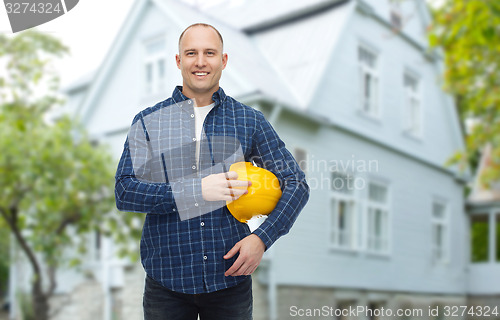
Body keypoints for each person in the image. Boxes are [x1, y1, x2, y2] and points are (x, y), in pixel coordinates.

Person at [115, 23, 309, 320]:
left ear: (223, 60)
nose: (201, 61)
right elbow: (125, 191)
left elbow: (295, 182)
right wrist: (195, 191)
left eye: (210, 53)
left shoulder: (249, 120)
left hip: (229, 279)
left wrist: (262, 239)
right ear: (179, 61)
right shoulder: (147, 121)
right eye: (191, 53)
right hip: (165, 280)